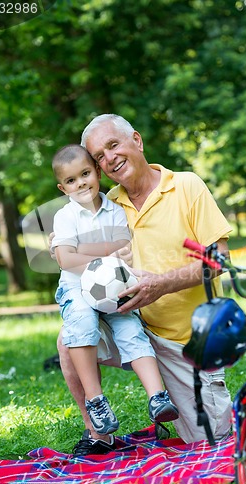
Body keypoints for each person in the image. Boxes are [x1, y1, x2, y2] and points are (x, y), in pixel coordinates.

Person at [55, 114, 233, 456]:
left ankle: (175, 398)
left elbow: (220, 260)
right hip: (132, 327)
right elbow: (67, 233)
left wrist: (161, 285)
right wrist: (58, 245)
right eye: (99, 156)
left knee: (212, 442)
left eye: (113, 145)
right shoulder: (106, 203)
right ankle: (98, 431)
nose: (109, 158)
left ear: (136, 140)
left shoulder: (186, 186)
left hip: (188, 341)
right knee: (70, 339)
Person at [51, 144, 179, 446]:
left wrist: (80, 249)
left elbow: (123, 246)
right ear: (62, 187)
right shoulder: (65, 216)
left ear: (97, 171)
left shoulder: (114, 210)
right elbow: (66, 261)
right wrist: (104, 250)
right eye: (71, 181)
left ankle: (157, 397)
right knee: (81, 323)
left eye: (84, 174)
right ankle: (97, 402)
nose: (80, 183)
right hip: (76, 284)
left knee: (130, 328)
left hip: (112, 281)